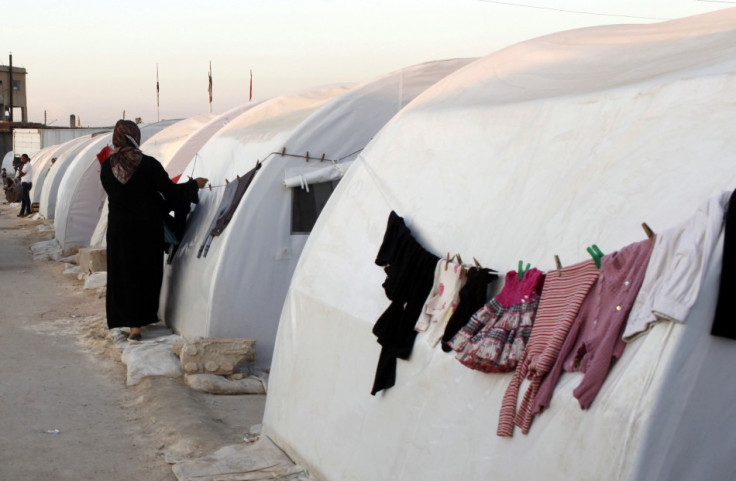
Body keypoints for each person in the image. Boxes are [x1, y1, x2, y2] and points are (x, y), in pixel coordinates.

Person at [100, 120, 207, 341]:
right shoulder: (148, 164)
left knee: (124, 274)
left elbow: (120, 196)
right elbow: (171, 193)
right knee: (144, 273)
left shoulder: (106, 168)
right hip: (146, 230)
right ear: (134, 137)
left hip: (119, 229)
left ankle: (133, 326)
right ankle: (141, 320)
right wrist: (194, 185)